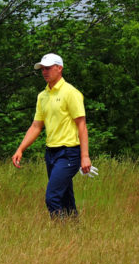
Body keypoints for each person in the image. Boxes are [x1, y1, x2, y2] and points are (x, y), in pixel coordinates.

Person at [12, 53, 92, 219]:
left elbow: (82, 125)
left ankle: (60, 233)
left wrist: (85, 157)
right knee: (65, 198)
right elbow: (36, 126)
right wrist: (20, 149)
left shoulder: (71, 93)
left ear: (59, 68)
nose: (44, 72)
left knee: (52, 197)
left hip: (69, 153)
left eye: (48, 68)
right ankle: (76, 234)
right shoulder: (42, 96)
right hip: (51, 154)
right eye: (42, 69)